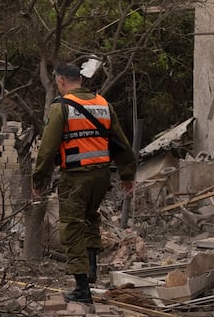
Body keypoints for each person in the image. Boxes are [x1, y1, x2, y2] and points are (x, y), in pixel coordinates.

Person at [32, 60, 137, 303]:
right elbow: (121, 142)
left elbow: (47, 150)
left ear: (60, 80)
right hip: (101, 176)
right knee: (91, 218)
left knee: (71, 226)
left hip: (76, 176)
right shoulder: (103, 104)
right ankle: (90, 270)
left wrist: (39, 179)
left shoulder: (62, 108)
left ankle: (82, 289)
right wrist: (127, 175)